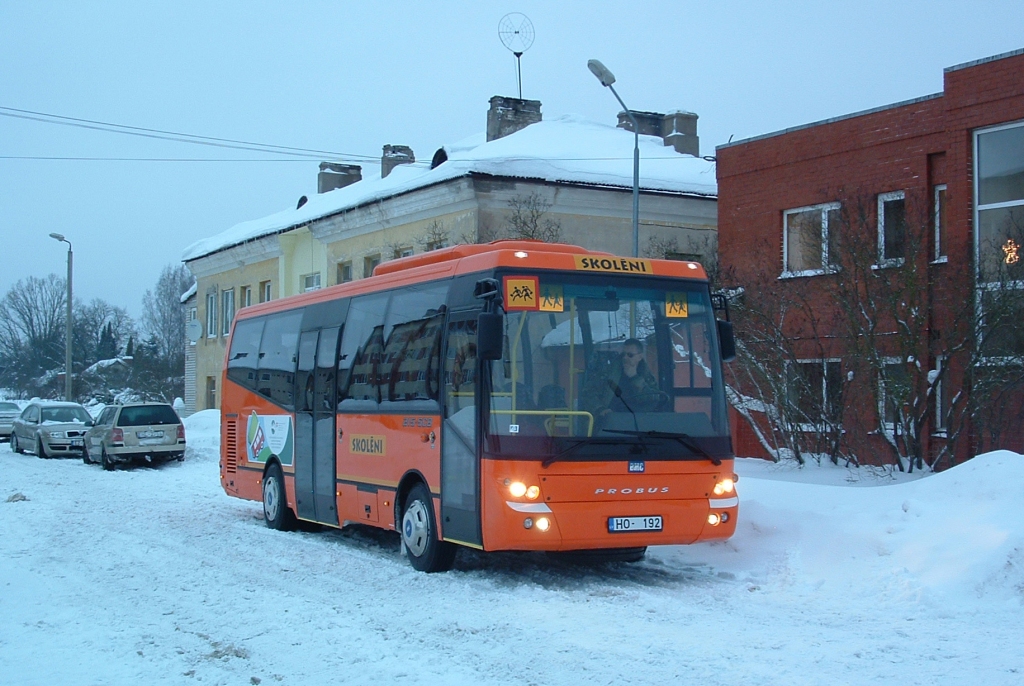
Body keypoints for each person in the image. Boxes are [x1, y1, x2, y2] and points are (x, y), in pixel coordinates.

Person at [585, 338, 662, 421]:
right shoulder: (608, 372)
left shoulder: (647, 376)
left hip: (640, 421)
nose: (625, 358)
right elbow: (588, 392)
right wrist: (600, 409)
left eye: (630, 355)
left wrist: (634, 378)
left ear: (640, 357)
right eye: (623, 354)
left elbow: (653, 399)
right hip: (611, 420)